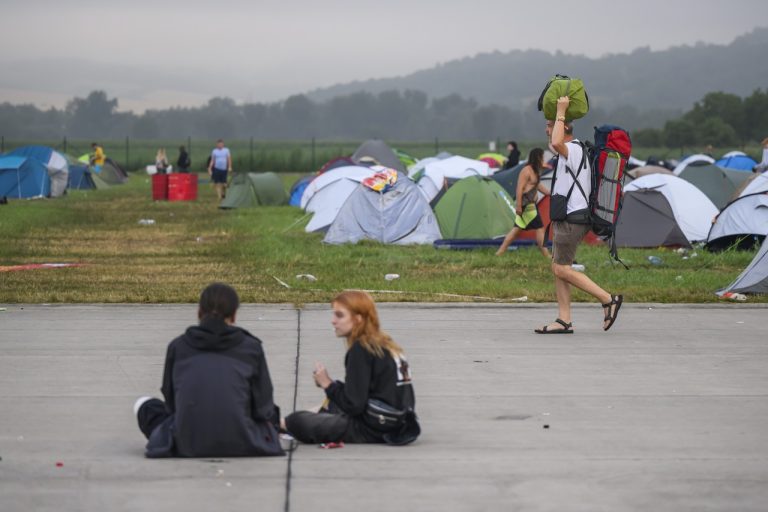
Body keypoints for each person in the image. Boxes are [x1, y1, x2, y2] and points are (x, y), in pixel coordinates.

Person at [133, 283, 284, 458]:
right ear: (234, 316)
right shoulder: (251, 348)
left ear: (199, 312)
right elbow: (263, 409)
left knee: (144, 405)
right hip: (244, 441)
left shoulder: (178, 346)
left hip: (188, 442)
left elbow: (172, 404)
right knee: (272, 415)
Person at [284, 290, 419, 445]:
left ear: (358, 319)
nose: (333, 321)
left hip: (375, 426)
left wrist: (327, 384)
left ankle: (279, 424)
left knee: (297, 421)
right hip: (399, 421)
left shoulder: (361, 349)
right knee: (335, 398)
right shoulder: (385, 343)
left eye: (339, 315)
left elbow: (354, 405)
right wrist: (333, 387)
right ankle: (283, 422)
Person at [535, 96, 622, 334]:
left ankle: (608, 299)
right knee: (558, 266)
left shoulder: (571, 149)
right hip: (569, 217)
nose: (547, 130)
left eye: (550, 126)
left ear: (564, 128)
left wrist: (561, 110)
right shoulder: (572, 151)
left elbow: (555, 143)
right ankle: (564, 320)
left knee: (561, 269)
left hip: (573, 218)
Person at [496, 147, 551, 258]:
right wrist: (519, 206)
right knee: (540, 228)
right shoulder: (526, 170)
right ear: (537, 157)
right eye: (542, 157)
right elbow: (519, 188)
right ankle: (546, 255)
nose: (543, 159)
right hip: (527, 205)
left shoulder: (535, 170)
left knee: (516, 230)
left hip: (530, 205)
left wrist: (550, 193)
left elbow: (537, 185)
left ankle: (500, 252)